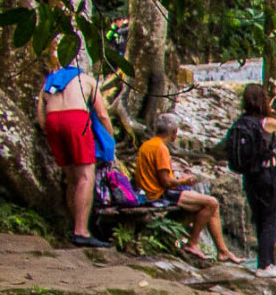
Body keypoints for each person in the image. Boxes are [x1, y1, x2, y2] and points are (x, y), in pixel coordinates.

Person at [132, 114, 233, 261]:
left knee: (212, 206)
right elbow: (166, 182)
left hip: (147, 191)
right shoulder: (160, 148)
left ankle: (223, 251)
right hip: (158, 194)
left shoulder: (147, 145)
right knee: (211, 203)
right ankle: (192, 244)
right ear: (174, 132)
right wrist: (183, 181)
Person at [37, 60, 116, 247]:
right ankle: (81, 231)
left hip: (52, 121)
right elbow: (102, 115)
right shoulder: (86, 80)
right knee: (86, 175)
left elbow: (40, 119)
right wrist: (110, 140)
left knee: (71, 177)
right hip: (77, 120)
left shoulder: (49, 82)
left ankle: (75, 225)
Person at [221, 83, 276, 276]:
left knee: (259, 218)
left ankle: (263, 262)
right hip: (268, 175)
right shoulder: (267, 122)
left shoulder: (241, 123)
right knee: (271, 218)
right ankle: (266, 265)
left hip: (250, 177)